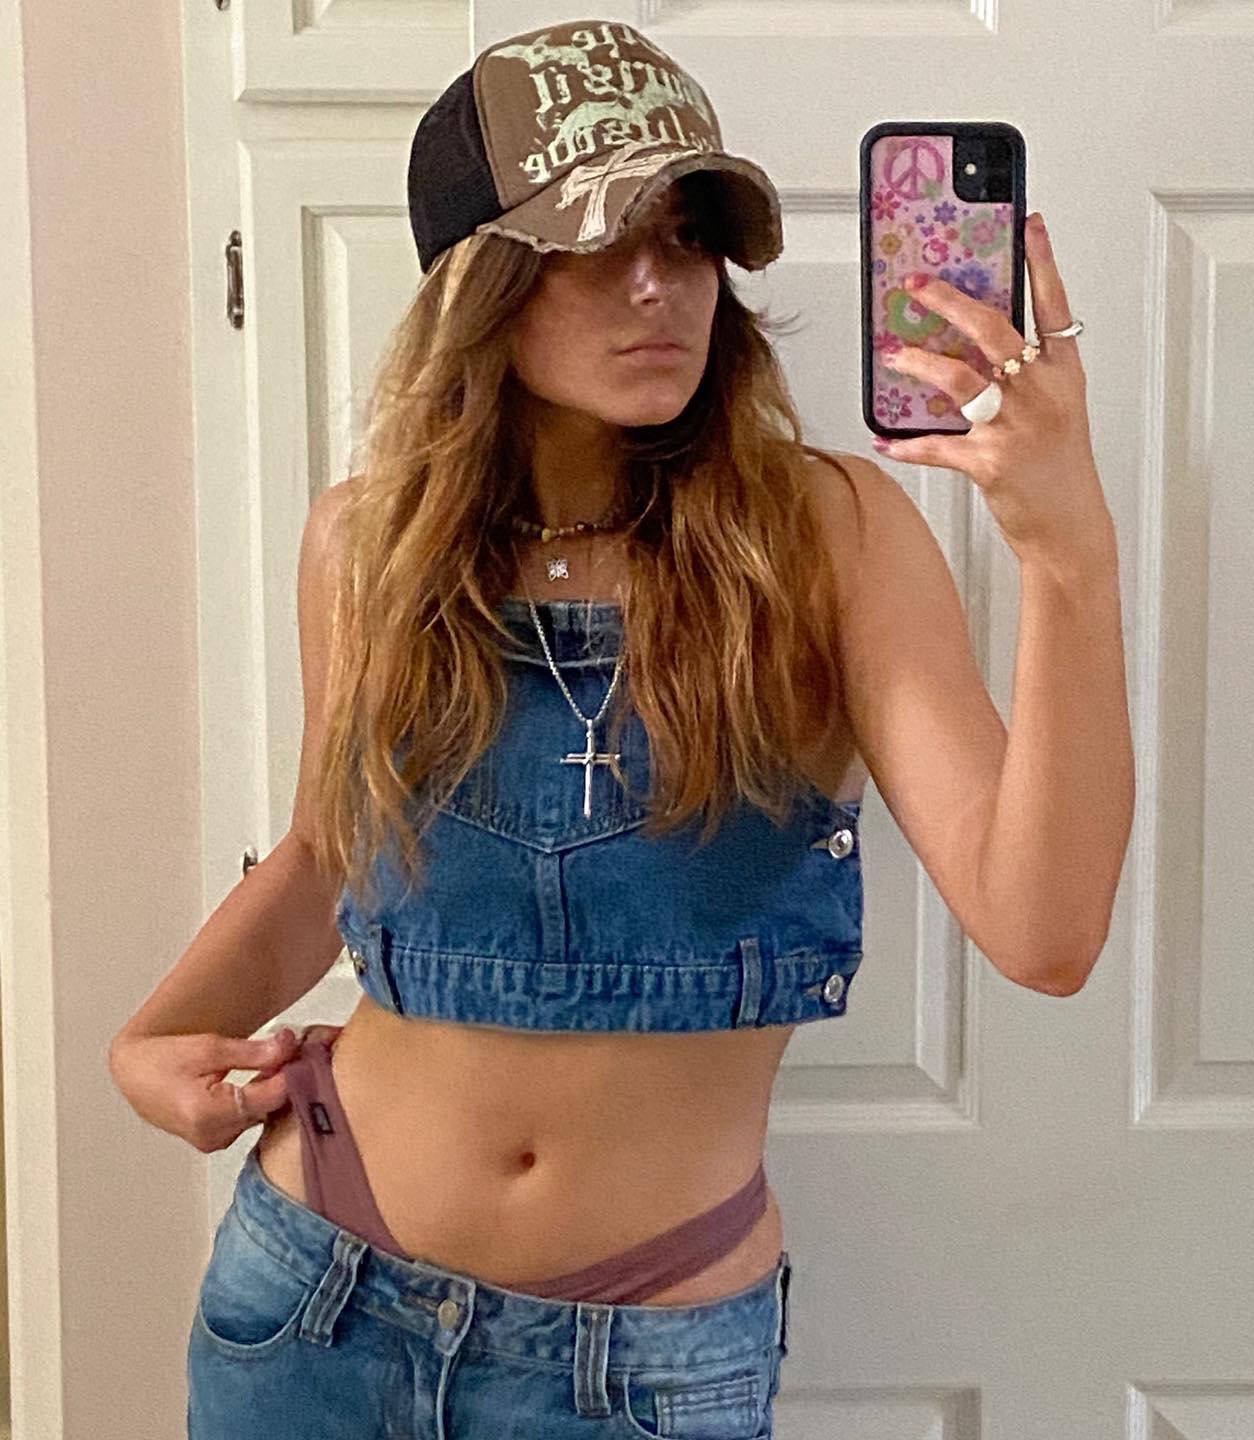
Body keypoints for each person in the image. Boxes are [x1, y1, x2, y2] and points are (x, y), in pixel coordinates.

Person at [112, 18, 866, 1439]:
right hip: (315, 1298)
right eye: (594, 244)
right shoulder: (367, 547)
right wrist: (152, 1041)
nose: (657, 287)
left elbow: (1048, 933)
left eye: (689, 236)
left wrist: (1061, 543)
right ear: (481, 283)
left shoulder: (815, 540)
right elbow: (331, 854)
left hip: (646, 1354)